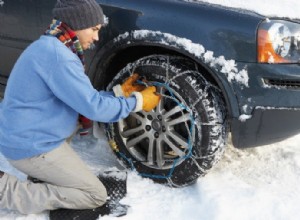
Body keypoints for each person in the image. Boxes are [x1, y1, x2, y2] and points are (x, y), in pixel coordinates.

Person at [0, 0, 160, 214]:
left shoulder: (51, 46)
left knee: (75, 120)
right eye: (94, 29)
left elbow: (82, 98)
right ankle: (7, 191)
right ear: (76, 24)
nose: (96, 38)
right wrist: (138, 102)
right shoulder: (59, 58)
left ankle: (42, 174)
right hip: (31, 147)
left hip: (29, 134)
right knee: (93, 195)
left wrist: (120, 94)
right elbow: (93, 107)